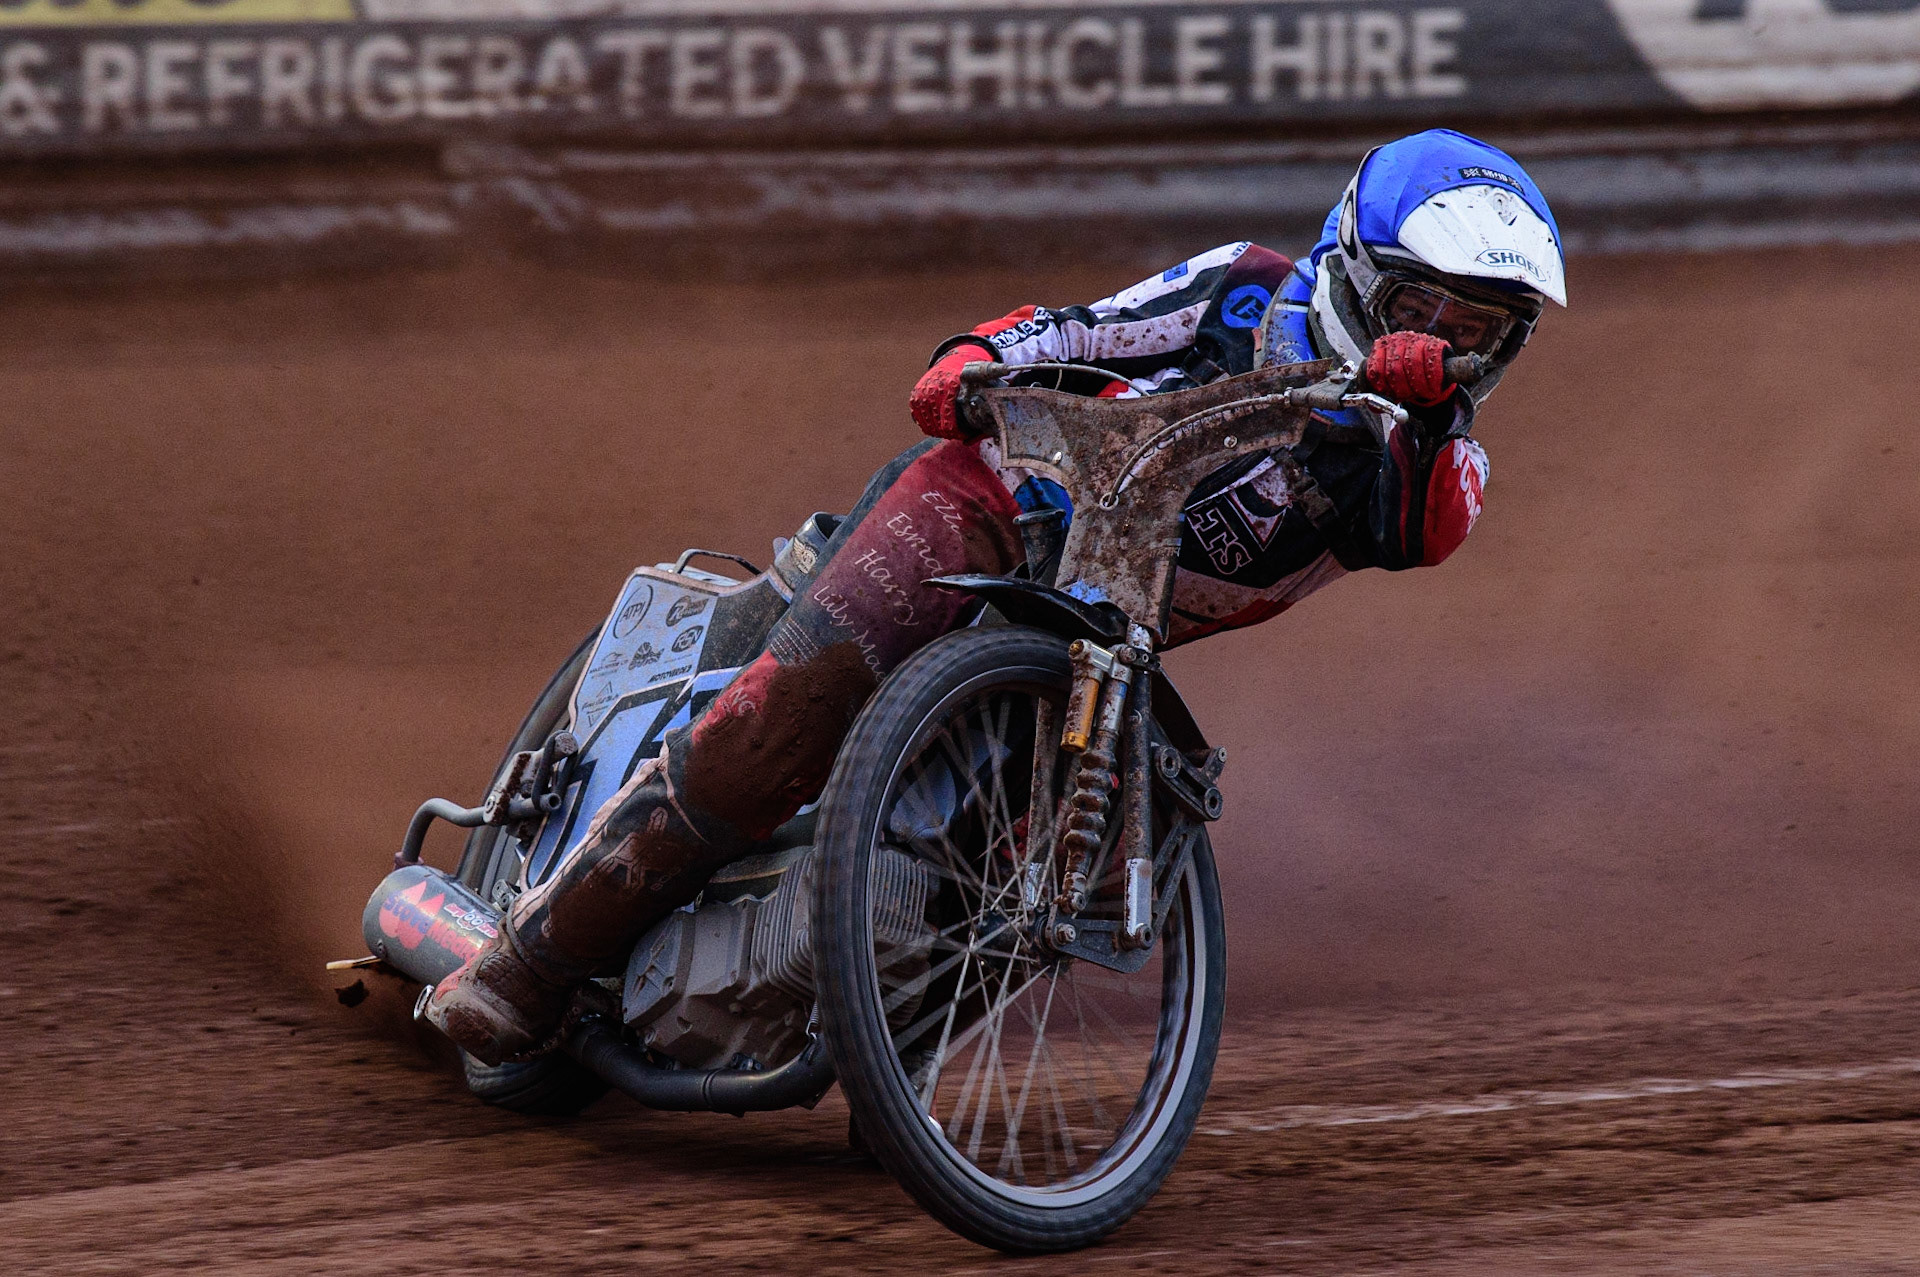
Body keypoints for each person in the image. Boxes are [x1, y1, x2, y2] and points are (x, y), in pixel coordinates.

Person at [426, 128, 1568, 1064]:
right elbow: (1088, 327)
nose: (1457, 349)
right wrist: (975, 354)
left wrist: (1403, 404)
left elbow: (1416, 525)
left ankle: (884, 1056)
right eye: (1434, 313)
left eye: (1486, 333)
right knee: (770, 729)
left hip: (1094, 646)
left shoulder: (1443, 463)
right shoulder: (1243, 293)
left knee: (1011, 872)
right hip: (989, 503)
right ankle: (528, 964)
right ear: (1362, 273)